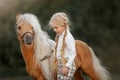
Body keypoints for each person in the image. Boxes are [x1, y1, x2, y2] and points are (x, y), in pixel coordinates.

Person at [49, 12, 76, 80]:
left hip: (67, 65)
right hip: (60, 64)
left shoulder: (68, 37)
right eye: (53, 28)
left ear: (62, 25)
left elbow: (73, 54)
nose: (54, 30)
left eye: (56, 27)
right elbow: (60, 49)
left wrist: (66, 67)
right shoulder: (60, 36)